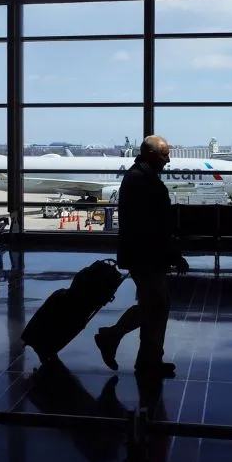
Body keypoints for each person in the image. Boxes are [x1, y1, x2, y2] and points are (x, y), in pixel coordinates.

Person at [94, 135, 188, 378]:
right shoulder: (142, 180)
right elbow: (154, 226)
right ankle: (113, 337)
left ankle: (148, 360)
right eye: (164, 154)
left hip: (145, 254)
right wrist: (173, 253)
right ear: (150, 154)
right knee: (155, 306)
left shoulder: (140, 177)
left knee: (156, 306)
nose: (168, 160)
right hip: (146, 256)